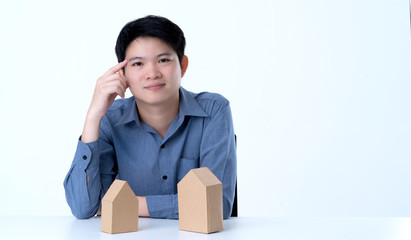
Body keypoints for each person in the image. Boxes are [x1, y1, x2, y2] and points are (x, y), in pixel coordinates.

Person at [64, 15, 237, 219]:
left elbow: (216, 206)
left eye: (163, 60)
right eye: (138, 64)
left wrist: (124, 204)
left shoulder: (214, 111)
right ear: (122, 73)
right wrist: (93, 116)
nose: (152, 73)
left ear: (183, 65)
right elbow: (84, 208)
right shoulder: (110, 119)